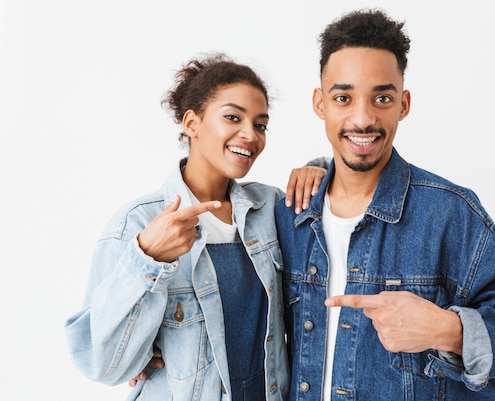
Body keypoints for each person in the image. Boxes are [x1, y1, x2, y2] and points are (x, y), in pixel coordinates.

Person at [274, 9, 495, 400]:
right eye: (344, 97)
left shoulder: (450, 213)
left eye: (382, 97)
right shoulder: (289, 215)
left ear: (403, 104)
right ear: (320, 103)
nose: (363, 118)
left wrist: (447, 329)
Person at [64, 53, 325, 401]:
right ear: (192, 123)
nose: (250, 134)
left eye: (260, 124)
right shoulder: (138, 223)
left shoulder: (271, 208)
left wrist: (318, 169)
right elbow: (101, 364)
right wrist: (147, 259)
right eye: (233, 117)